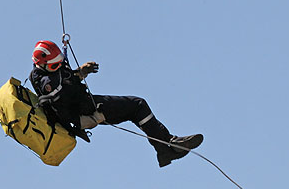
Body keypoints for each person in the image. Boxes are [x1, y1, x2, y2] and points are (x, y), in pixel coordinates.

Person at [29, 40, 203, 167]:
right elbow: (62, 91)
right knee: (138, 105)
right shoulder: (45, 81)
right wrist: (77, 75)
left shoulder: (49, 74)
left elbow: (66, 84)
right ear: (41, 64)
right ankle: (166, 147)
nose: (58, 67)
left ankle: (165, 148)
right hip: (85, 112)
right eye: (54, 66)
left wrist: (80, 72)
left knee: (136, 108)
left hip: (85, 106)